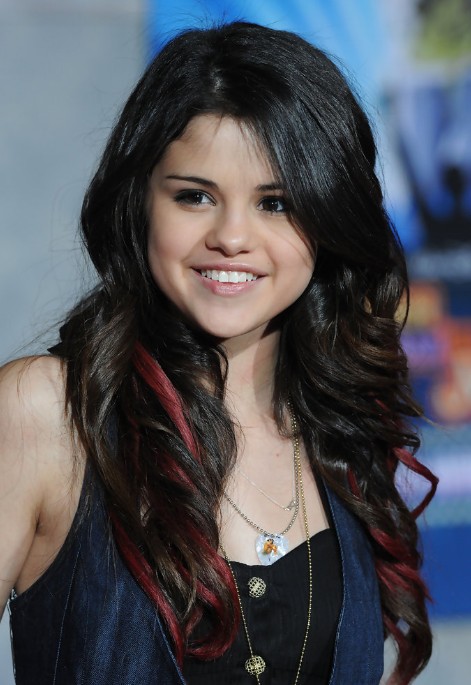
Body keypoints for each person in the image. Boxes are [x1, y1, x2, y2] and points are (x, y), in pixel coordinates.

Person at [0, 20, 437, 685]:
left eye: (275, 203)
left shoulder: (342, 436)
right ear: (140, 203)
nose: (232, 236)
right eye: (195, 196)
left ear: (327, 218)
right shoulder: (46, 414)